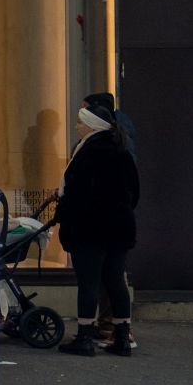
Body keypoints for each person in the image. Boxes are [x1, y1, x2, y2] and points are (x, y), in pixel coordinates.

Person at [55, 99, 139, 357]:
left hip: (88, 229)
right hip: (119, 228)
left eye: (80, 122)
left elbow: (76, 192)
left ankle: (85, 335)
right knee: (115, 280)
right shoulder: (121, 150)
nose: (77, 126)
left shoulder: (88, 153)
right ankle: (122, 336)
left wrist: (64, 214)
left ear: (91, 126)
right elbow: (133, 192)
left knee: (89, 282)